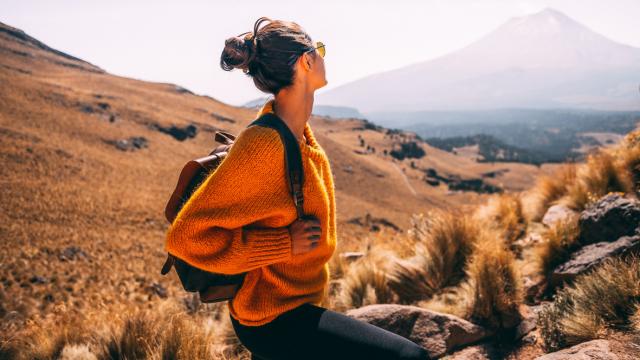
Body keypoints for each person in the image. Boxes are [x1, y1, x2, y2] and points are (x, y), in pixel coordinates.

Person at [165, 16, 429, 360]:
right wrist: (284, 243)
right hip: (271, 319)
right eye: (318, 50)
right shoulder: (263, 144)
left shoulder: (299, 134)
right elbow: (185, 237)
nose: (322, 56)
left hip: (297, 305)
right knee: (410, 357)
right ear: (306, 61)